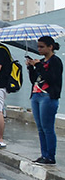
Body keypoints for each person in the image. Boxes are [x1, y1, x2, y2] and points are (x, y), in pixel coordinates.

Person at [27, 36, 62, 165]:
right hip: (36, 95)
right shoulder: (41, 61)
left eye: (42, 47)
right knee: (40, 128)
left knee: (48, 128)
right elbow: (34, 80)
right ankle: (44, 154)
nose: (39, 49)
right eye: (38, 47)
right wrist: (31, 67)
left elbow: (52, 79)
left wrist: (39, 66)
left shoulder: (55, 61)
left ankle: (50, 156)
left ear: (50, 47)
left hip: (48, 97)